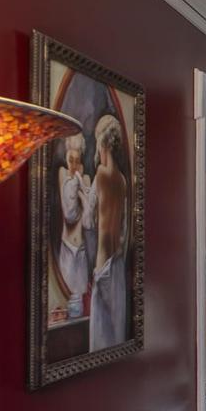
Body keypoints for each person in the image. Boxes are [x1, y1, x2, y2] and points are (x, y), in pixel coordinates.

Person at [89, 114, 129, 351]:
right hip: (118, 264)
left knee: (99, 342)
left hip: (103, 264)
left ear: (102, 143)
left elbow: (87, 220)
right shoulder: (122, 181)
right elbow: (122, 226)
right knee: (116, 338)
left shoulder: (101, 175)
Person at [57, 135, 95, 311]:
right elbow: (70, 214)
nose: (73, 165)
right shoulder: (62, 175)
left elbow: (88, 221)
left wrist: (80, 182)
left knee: (81, 306)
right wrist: (75, 182)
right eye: (70, 160)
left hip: (81, 252)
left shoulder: (86, 179)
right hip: (66, 249)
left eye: (77, 160)